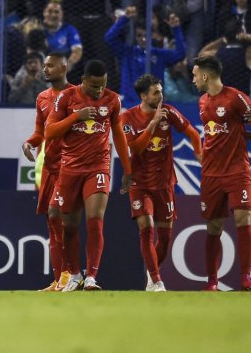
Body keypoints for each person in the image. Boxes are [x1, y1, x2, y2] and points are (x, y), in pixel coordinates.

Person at [44, 60, 132, 291]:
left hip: (98, 167)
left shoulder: (112, 100)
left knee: (95, 220)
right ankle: (75, 274)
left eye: (102, 85)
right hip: (70, 169)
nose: (99, 90)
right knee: (69, 226)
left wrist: (128, 169)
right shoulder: (66, 98)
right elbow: (49, 131)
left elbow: (119, 135)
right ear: (83, 80)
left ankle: (91, 276)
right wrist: (76, 117)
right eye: (94, 86)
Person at [192, 55, 251, 291]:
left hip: (237, 171)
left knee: (243, 219)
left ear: (205, 75)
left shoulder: (237, 98)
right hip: (211, 174)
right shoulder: (202, 101)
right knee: (213, 227)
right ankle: (212, 283)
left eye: (195, 75)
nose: (193, 79)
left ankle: (245, 278)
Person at [120, 74, 202, 292]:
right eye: (156, 92)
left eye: (161, 90)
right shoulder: (127, 118)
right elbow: (135, 148)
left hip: (164, 183)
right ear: (143, 95)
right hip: (139, 183)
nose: (161, 95)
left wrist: (198, 152)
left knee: (165, 238)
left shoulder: (169, 112)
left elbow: (192, 132)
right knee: (146, 227)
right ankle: (156, 280)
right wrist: (153, 124)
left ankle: (151, 273)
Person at [21, 52, 71, 291]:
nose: (45, 70)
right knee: (52, 223)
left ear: (64, 67)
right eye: (44, 66)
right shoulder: (42, 97)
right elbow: (40, 132)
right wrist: (29, 143)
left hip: (69, 165)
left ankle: (70, 276)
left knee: (57, 216)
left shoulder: (75, 95)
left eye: (50, 66)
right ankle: (59, 278)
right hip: (48, 167)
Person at [104, 6, 186, 104]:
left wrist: (176, 29)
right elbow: (109, 38)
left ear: (152, 35)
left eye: (146, 35)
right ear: (135, 36)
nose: (143, 39)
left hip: (153, 106)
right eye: (139, 35)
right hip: (130, 104)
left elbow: (180, 53)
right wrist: (124, 19)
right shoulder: (127, 53)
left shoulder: (159, 54)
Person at [198, 18, 251, 98]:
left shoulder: (216, 54)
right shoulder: (249, 54)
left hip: (223, 101)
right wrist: (247, 36)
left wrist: (221, 40)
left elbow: (202, 53)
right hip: (243, 102)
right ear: (241, 35)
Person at [42, 0, 82, 75]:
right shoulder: (39, 29)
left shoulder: (69, 29)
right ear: (44, 13)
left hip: (64, 69)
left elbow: (77, 50)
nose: (53, 15)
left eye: (56, 12)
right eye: (50, 11)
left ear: (62, 14)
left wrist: (69, 62)